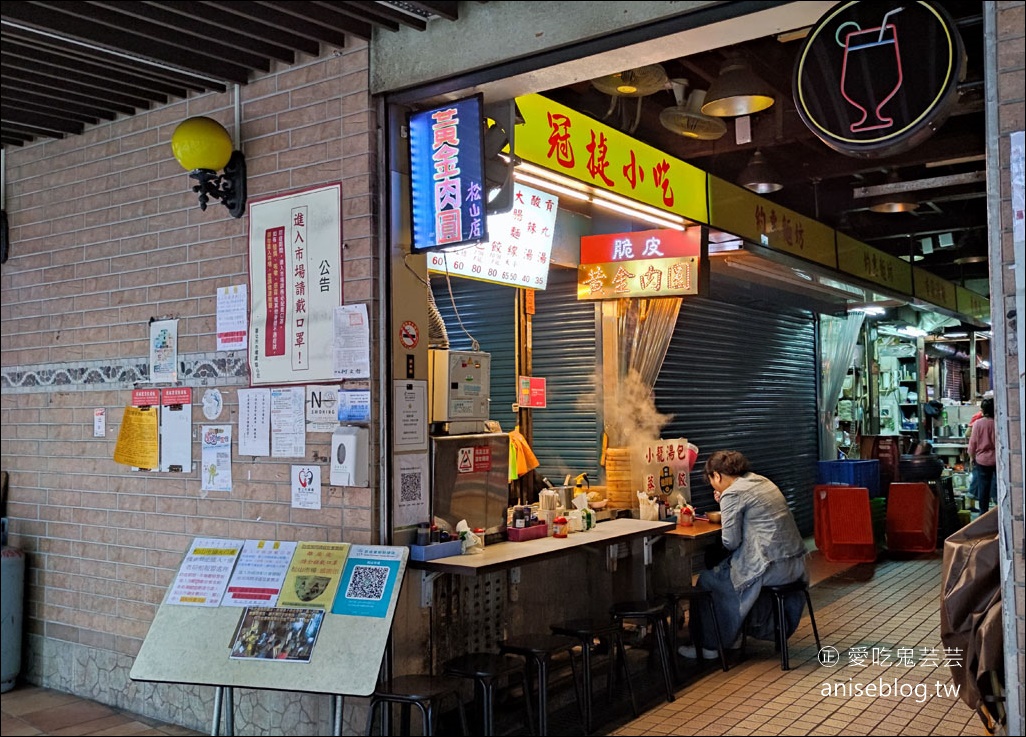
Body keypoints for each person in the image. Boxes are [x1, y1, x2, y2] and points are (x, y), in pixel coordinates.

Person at [679, 450, 808, 659]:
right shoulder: (761, 481)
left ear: (717, 476)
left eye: (711, 480)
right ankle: (733, 636)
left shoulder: (732, 493)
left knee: (708, 580)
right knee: (724, 573)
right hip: (795, 564)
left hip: (771, 567)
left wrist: (725, 502)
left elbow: (730, 541)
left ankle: (711, 647)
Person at [967, 397, 996, 513]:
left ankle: (983, 512)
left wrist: (971, 457)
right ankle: (999, 511)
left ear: (983, 410)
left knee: (983, 487)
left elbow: (972, 443)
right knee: (997, 486)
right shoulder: (997, 423)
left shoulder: (977, 424)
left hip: (982, 461)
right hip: (997, 461)